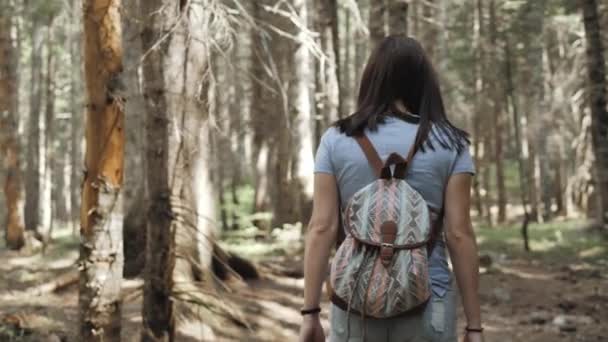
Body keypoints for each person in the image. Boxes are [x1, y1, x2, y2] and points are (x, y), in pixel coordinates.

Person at [298, 35, 484, 342]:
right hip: (428, 297)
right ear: (425, 82)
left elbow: (321, 227)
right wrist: (474, 325)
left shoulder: (336, 139)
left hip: (354, 299)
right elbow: (459, 234)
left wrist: (310, 312)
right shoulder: (451, 143)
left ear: (372, 78)